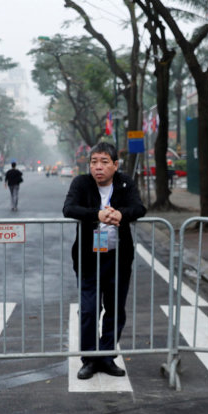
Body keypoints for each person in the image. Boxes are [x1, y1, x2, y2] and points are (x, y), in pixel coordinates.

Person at [63, 142, 146, 380]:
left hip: (118, 258)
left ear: (115, 165)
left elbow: (139, 208)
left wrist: (121, 214)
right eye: (94, 162)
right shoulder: (81, 183)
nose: (98, 167)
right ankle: (89, 359)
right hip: (88, 259)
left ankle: (106, 356)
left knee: (115, 310)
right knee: (89, 310)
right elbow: (68, 209)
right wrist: (96, 215)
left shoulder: (124, 182)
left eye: (104, 162)